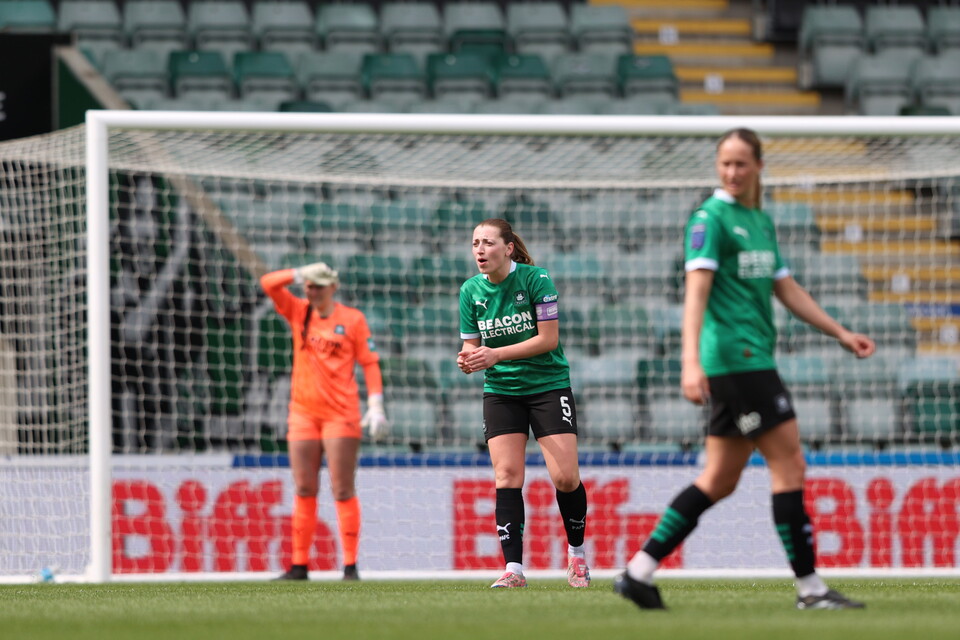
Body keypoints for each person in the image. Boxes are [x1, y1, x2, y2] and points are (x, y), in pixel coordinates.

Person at [614, 128, 875, 610]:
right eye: (725, 163)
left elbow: (787, 288)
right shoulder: (710, 219)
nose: (732, 172)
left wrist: (840, 332)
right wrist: (690, 362)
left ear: (758, 166)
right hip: (738, 361)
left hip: (750, 359)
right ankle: (811, 589)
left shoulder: (758, 220)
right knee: (789, 465)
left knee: (719, 479)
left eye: (740, 163)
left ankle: (638, 572)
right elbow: (696, 293)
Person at [458, 218, 590, 589]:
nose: (480, 250)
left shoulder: (536, 279)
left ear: (508, 248)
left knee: (565, 478)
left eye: (488, 242)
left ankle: (577, 554)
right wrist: (467, 357)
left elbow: (548, 340)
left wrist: (495, 354)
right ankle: (513, 569)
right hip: (501, 390)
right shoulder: (470, 290)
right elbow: (471, 343)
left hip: (548, 386)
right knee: (506, 476)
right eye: (475, 243)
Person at [261, 261, 389, 581]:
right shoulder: (299, 311)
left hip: (340, 414)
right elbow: (268, 283)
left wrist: (375, 405)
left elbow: (369, 363)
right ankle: (299, 564)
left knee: (342, 487)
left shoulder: (352, 319)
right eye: (309, 285)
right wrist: (298, 273)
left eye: (318, 285)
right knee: (304, 487)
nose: (312, 291)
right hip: (303, 413)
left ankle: (350, 565)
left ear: (333, 287)